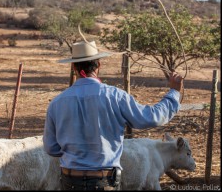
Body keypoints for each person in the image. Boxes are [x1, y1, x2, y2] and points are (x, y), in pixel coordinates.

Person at [43, 40, 183, 191]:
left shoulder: (57, 103)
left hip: (70, 181)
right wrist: (174, 93)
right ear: (98, 64)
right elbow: (151, 117)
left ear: (73, 67)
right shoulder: (115, 96)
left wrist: (74, 151)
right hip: (104, 180)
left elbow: (51, 148)